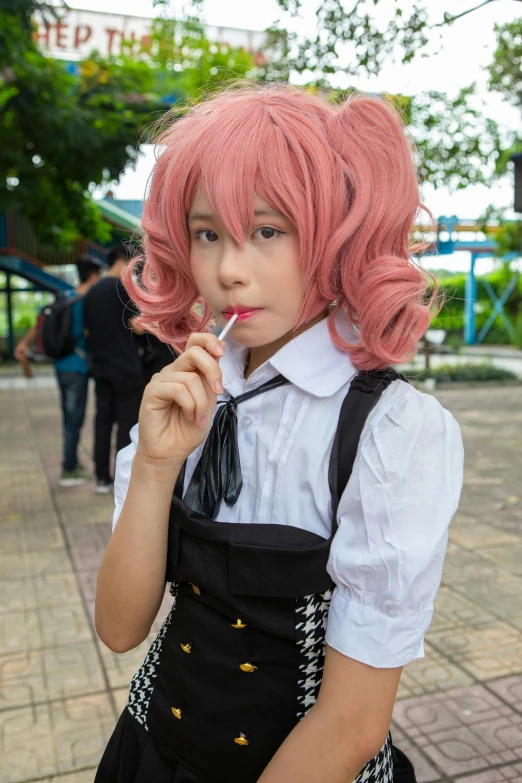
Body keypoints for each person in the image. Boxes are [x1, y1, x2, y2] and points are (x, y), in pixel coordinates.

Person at [94, 86, 464, 783]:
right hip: (148, 753)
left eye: (266, 230)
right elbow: (118, 629)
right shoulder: (188, 397)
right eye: (208, 233)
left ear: (337, 234)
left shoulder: (390, 432)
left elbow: (352, 721)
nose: (229, 269)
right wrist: (154, 463)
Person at [14, 256, 102, 486]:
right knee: (74, 419)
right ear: (93, 276)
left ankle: (71, 461)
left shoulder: (64, 297)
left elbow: (39, 325)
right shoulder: (86, 302)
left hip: (61, 365)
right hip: (77, 367)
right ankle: (68, 469)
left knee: (68, 417)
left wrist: (23, 343)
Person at [83, 243, 145, 494]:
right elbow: (138, 326)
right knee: (127, 423)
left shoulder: (92, 291)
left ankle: (101, 477)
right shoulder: (124, 288)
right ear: (124, 261)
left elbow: (87, 330)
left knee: (103, 420)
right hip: (126, 367)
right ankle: (122, 479)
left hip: (100, 366)